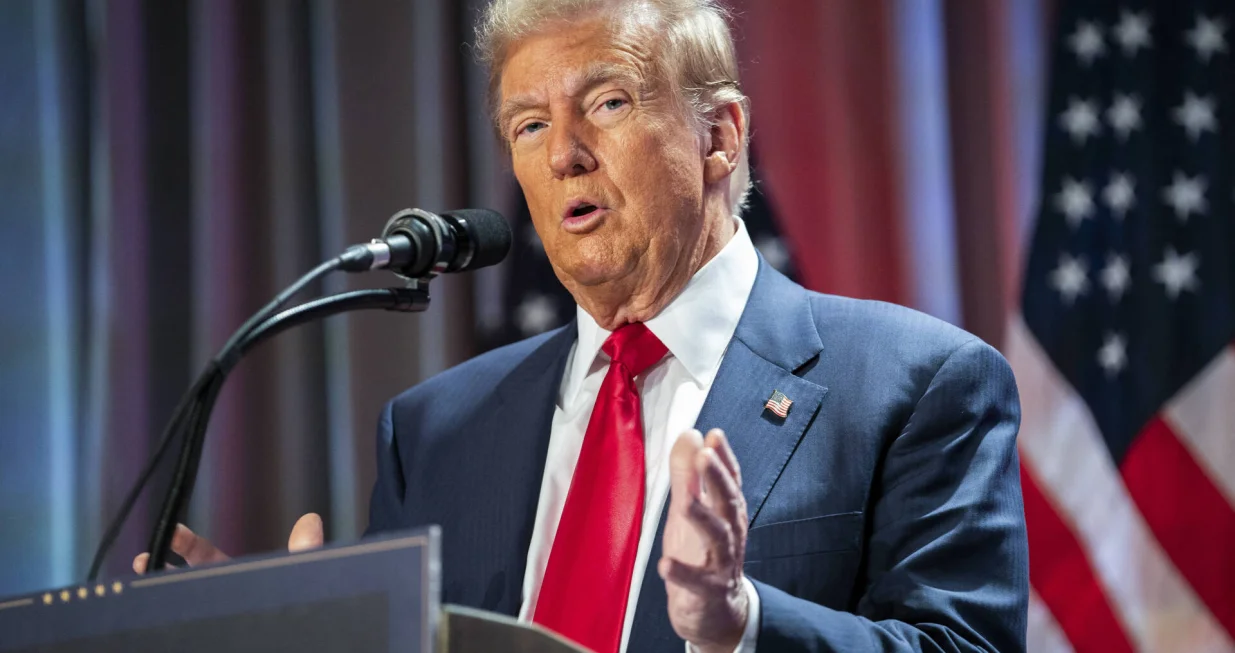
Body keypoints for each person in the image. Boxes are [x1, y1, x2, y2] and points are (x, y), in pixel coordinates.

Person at [137, 0, 1029, 651]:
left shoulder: (916, 384)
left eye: (606, 103)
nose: (563, 153)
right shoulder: (434, 431)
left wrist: (741, 622)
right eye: (529, 124)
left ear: (719, 135)